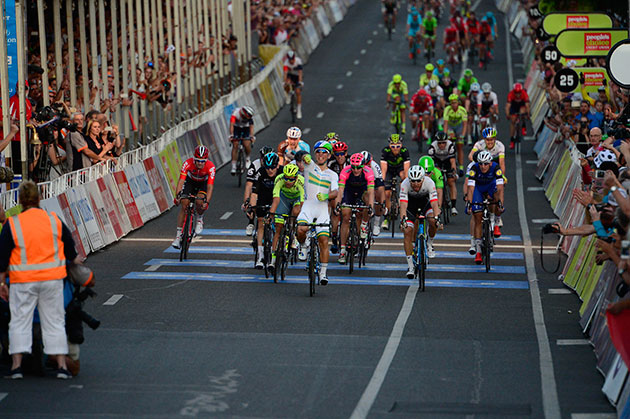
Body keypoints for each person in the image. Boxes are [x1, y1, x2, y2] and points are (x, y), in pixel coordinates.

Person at [0, 181, 79, 379]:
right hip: (52, 280)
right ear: (39, 198)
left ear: (20, 201)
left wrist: (2, 283)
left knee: (19, 322)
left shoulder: (13, 224)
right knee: (54, 321)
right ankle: (61, 366)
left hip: (23, 281)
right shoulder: (54, 220)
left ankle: (16, 367)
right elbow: (71, 251)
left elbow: (2, 259)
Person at [296, 141, 339, 285]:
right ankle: (302, 246)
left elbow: (335, 191)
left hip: (322, 210)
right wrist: (305, 158)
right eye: (318, 152)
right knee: (301, 229)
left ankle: (323, 273)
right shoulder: (309, 166)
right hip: (308, 207)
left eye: (324, 153)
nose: (321, 155)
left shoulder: (332, 174)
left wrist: (327, 196)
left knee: (324, 241)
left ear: (329, 155)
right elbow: (304, 159)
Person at [400, 165, 440, 278]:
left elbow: (434, 203)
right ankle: (410, 266)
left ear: (423, 179)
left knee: (433, 221)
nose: (415, 184)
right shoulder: (405, 184)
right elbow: (403, 204)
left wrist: (437, 217)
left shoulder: (429, 182)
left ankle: (429, 243)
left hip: (425, 204)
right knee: (407, 231)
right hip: (410, 206)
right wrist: (403, 219)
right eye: (413, 181)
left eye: (418, 181)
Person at [171, 146, 215, 248]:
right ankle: (178, 237)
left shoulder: (211, 167)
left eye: (202, 161)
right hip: (190, 182)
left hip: (203, 183)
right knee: (184, 204)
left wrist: (206, 202)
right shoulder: (187, 163)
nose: (200, 163)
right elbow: (181, 180)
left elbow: (210, 186)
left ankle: (199, 218)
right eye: (197, 161)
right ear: (194, 159)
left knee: (199, 202)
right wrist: (177, 196)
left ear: (206, 160)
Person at [465, 150, 504, 264]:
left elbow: (501, 187)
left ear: (490, 163)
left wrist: (500, 203)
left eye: (486, 163)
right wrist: (469, 203)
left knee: (496, 195)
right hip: (478, 188)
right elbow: (471, 188)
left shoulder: (496, 168)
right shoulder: (474, 169)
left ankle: (494, 220)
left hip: (491, 187)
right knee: (477, 216)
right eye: (481, 163)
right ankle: (478, 251)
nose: (483, 166)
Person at [335, 153, 375, 264]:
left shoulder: (369, 172)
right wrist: (338, 204)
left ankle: (364, 224)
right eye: (353, 167)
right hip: (349, 192)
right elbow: (341, 190)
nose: (356, 170)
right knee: (345, 217)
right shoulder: (345, 171)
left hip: (363, 192)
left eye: (358, 167)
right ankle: (342, 250)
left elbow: (371, 192)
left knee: (367, 200)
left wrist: (370, 206)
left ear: (363, 166)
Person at [248, 152, 282, 269]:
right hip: (263, 195)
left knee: (279, 222)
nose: (270, 170)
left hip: (279, 197)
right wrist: (252, 208)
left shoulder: (282, 172)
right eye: (267, 168)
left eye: (273, 167)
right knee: (261, 221)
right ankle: (260, 256)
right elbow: (254, 193)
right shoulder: (260, 173)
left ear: (277, 165)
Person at [269, 164, 305, 270]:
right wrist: (271, 214)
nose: (288, 181)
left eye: (291, 179)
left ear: (296, 177)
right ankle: (273, 259)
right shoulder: (279, 179)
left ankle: (293, 233)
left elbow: (303, 203)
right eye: (286, 178)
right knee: (278, 229)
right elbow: (276, 200)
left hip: (296, 199)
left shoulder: (301, 182)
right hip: (283, 199)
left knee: (296, 210)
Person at [380, 133, 410, 231]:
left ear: (401, 145)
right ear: (389, 145)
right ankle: (386, 218)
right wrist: (382, 182)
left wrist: (405, 182)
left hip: (399, 168)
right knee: (387, 193)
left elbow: (406, 170)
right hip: (389, 169)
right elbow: (383, 170)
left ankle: (401, 201)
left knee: (403, 177)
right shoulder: (385, 151)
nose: (395, 148)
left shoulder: (405, 151)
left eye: (398, 146)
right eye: (393, 146)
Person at [243, 146, 274, 236]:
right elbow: (249, 185)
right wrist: (247, 201)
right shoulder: (255, 165)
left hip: (272, 188)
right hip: (259, 188)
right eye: (262, 158)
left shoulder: (276, 164)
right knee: (253, 203)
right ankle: (251, 222)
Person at [427, 131, 458, 215]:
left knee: (451, 181)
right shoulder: (432, 147)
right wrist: (435, 170)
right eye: (439, 143)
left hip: (448, 161)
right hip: (437, 162)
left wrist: (454, 171)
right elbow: (431, 163)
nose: (441, 145)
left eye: (443, 143)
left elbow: (452, 162)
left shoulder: (450, 146)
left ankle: (454, 206)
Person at [329, 141, 349, 252]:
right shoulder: (331, 163)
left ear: (346, 154)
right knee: (335, 212)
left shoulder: (351, 162)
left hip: (349, 189)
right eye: (337, 154)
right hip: (336, 189)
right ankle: (335, 238)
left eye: (342, 154)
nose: (340, 157)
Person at [443, 93, 468, 176]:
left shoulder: (462, 110)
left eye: (455, 102)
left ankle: (461, 167)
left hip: (459, 127)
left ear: (458, 103)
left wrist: (462, 136)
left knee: (460, 146)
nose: (454, 105)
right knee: (448, 142)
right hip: (450, 126)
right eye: (452, 103)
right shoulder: (447, 110)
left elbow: (465, 124)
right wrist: (445, 136)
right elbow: (445, 124)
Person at [361, 151, 386, 236]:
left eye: (367, 165)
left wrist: (382, 203)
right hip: (361, 182)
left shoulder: (375, 166)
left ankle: (376, 223)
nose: (365, 167)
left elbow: (381, 186)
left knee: (378, 194)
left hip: (373, 182)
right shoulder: (357, 165)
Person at [229, 105, 255, 174]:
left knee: (247, 144)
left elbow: (251, 127)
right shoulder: (235, 114)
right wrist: (231, 135)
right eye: (246, 118)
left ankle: (247, 159)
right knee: (235, 145)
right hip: (236, 128)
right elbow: (231, 125)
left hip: (246, 128)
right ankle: (234, 166)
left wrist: (251, 136)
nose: (246, 119)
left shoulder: (249, 117)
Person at [505, 82, 530, 149]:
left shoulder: (524, 94)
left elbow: (527, 106)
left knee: (522, 112)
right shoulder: (510, 95)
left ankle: (523, 126)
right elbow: (507, 106)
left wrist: (528, 114)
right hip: (514, 106)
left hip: (521, 105)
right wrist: (507, 115)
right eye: (516, 93)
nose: (518, 95)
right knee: (513, 121)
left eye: (519, 93)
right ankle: (512, 140)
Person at [283, 50, 304, 119]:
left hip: (297, 77)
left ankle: (299, 110)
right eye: (290, 60)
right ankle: (288, 93)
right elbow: (285, 74)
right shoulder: (286, 63)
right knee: (286, 84)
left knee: (298, 92)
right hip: (290, 76)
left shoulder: (298, 61)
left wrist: (300, 82)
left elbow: (300, 72)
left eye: (292, 60)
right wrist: (285, 82)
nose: (291, 61)